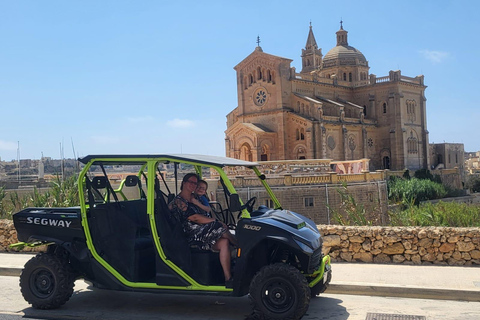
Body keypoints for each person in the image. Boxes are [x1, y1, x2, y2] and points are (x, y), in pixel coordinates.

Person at [169, 173, 237, 284]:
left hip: (202, 232)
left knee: (224, 242)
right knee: (219, 226)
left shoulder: (194, 198)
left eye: (195, 183)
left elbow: (207, 211)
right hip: (191, 235)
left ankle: (228, 278)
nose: (193, 185)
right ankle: (239, 246)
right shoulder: (179, 201)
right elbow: (194, 218)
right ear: (184, 183)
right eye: (190, 182)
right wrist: (215, 221)